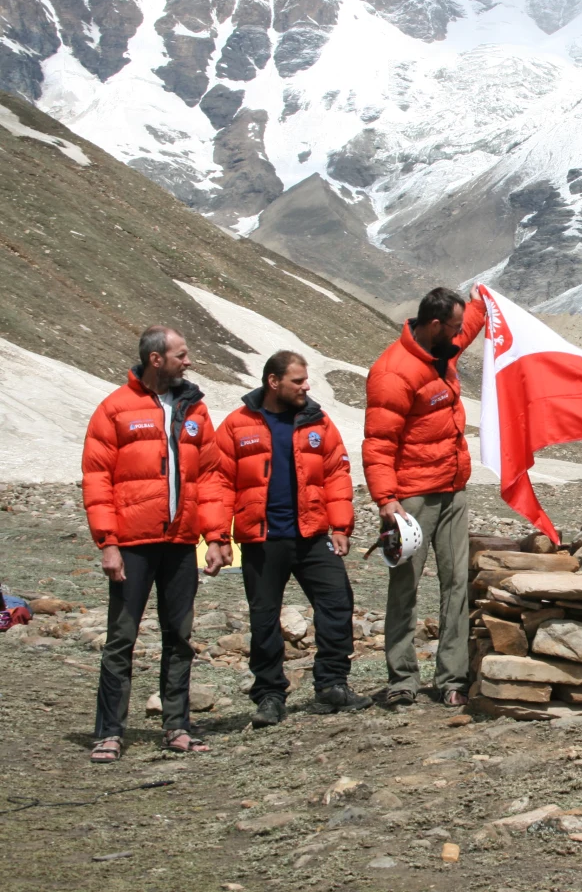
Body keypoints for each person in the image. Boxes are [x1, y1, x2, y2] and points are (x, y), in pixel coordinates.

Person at [203, 351, 372, 727]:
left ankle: (331, 685)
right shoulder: (236, 425)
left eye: (306, 380)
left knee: (337, 603)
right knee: (264, 619)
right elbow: (217, 482)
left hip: (313, 535)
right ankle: (269, 696)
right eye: (297, 381)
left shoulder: (318, 422)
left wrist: (341, 526)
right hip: (262, 541)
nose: (306, 386)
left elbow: (336, 474)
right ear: (273, 382)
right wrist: (217, 536)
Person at [81, 326, 219, 762]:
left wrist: (216, 536)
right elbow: (97, 479)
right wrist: (108, 543)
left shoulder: (195, 408)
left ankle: (177, 725)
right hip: (133, 544)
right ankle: (109, 732)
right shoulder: (115, 409)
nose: (189, 361)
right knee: (121, 638)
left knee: (179, 637)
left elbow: (212, 477)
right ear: (156, 359)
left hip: (180, 542)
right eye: (182, 354)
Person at [364, 286, 486, 707]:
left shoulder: (443, 348)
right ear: (434, 325)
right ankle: (402, 679)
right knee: (405, 586)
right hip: (412, 499)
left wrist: (482, 303)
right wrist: (386, 501)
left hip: (453, 489)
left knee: (456, 582)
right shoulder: (392, 372)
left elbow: (467, 327)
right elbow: (379, 443)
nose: (459, 335)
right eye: (452, 327)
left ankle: (452, 678)